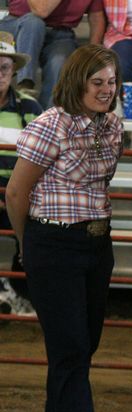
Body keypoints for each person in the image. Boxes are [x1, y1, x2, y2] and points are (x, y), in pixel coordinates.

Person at [5, 44, 123, 412]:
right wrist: (27, 246)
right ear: (77, 82)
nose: (107, 91)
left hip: (96, 244)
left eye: (111, 83)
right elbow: (17, 193)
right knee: (73, 350)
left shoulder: (110, 124)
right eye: (98, 83)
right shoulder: (48, 125)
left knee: (77, 349)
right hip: (52, 244)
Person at [0, 31, 41, 315]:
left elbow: (42, 157)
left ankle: (12, 290)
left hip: (19, 192)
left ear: (13, 71)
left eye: (4, 67)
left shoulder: (29, 107)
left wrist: (14, 194)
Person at [0, 1, 106, 109]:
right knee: (35, 23)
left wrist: (93, 53)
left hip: (60, 33)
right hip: (21, 25)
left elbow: (96, 17)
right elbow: (40, 10)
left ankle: (45, 117)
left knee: (59, 61)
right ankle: (25, 85)